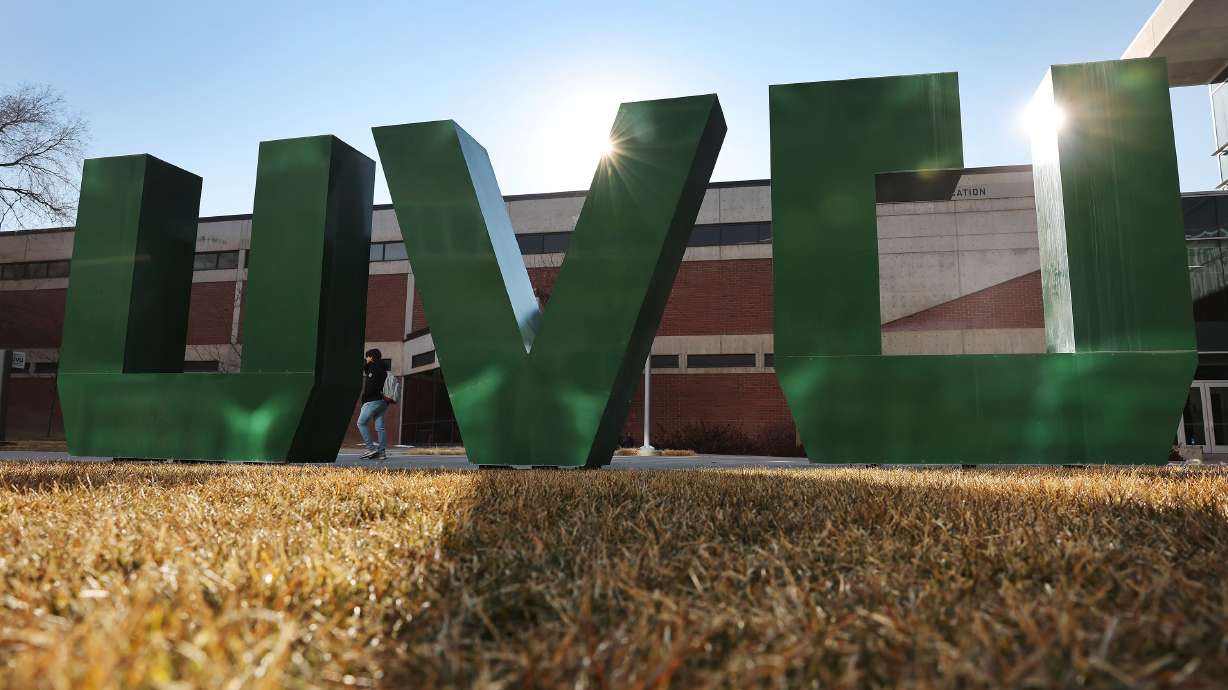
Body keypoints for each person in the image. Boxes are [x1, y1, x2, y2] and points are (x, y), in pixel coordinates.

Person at [358, 348, 390, 460]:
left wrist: (366, 399)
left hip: (373, 401)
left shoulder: (374, 368)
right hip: (383, 402)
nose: (366, 359)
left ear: (371, 357)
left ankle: (371, 449)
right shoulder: (384, 369)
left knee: (361, 423)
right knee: (380, 427)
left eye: (367, 357)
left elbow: (371, 386)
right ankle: (381, 452)